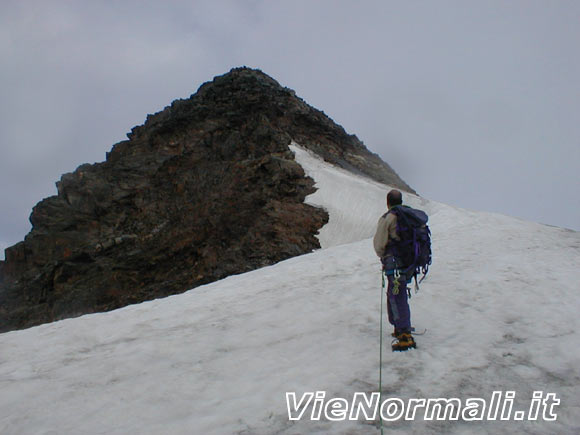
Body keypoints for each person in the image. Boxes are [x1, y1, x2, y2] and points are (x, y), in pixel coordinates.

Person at [373, 189, 416, 351]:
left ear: (388, 202)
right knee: (399, 292)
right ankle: (400, 326)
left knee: (396, 294)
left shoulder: (389, 218)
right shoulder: (410, 215)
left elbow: (379, 243)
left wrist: (383, 256)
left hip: (394, 263)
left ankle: (404, 333)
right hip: (409, 262)